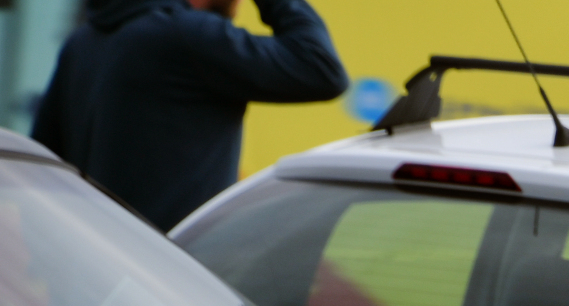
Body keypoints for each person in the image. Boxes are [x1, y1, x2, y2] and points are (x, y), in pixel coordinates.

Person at [31, 0, 347, 231]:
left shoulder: (83, 42)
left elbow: (44, 163)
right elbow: (321, 68)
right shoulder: (186, 35)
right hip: (171, 279)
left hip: (97, 267)